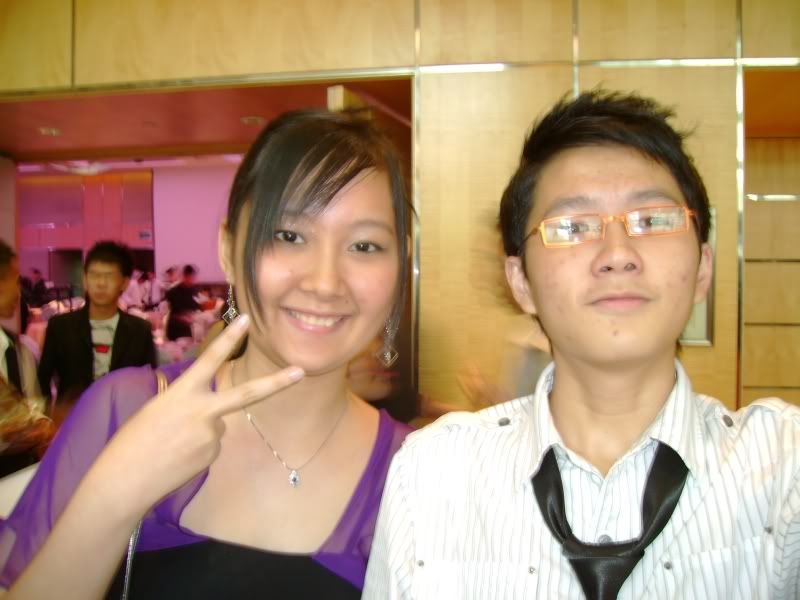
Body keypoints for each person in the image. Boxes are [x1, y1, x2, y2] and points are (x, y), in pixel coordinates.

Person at [364, 91, 800, 599]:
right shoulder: (433, 475)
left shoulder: (783, 470)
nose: (617, 254)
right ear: (520, 280)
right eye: (572, 227)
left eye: (652, 220)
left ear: (703, 267)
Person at [0, 109, 414, 599]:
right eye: (288, 236)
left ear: (402, 262)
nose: (325, 282)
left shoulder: (415, 471)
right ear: (227, 248)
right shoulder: (127, 410)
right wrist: (117, 488)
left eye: (364, 246)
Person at [37, 241, 157, 421]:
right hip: (71, 424)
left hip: (124, 425)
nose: (100, 283)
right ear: (85, 280)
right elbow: (42, 380)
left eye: (109, 276)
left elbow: (149, 383)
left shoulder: (140, 330)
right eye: (94, 275)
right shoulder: (60, 327)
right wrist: (47, 419)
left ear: (124, 283)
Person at [0, 240, 53, 476]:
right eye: (14, 281)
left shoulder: (19, 351)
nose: (18, 291)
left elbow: (30, 405)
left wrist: (42, 423)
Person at [164, 264, 201, 340]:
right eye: (191, 277)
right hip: (175, 327)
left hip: (187, 328)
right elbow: (174, 311)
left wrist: (193, 315)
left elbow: (196, 306)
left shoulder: (193, 290)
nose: (193, 279)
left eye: (194, 277)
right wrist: (184, 317)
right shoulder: (173, 291)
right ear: (185, 276)